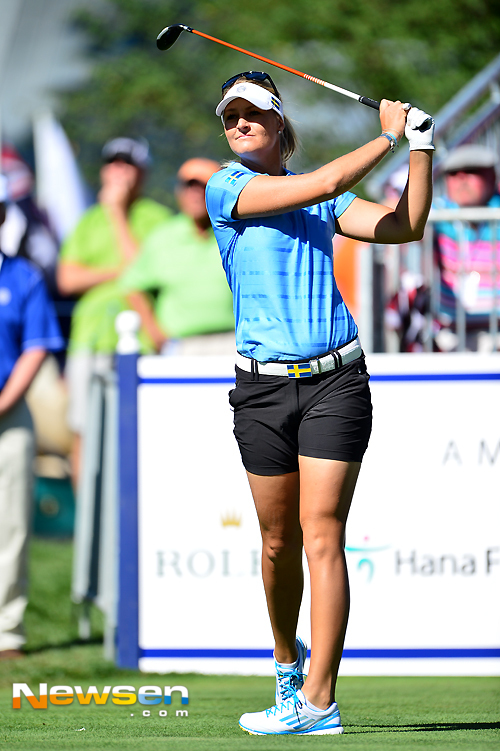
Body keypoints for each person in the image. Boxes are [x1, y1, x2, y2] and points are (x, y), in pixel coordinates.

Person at [205, 71, 434, 735]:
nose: (241, 123)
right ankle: (287, 665)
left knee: (323, 532)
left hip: (337, 382)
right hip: (262, 388)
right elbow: (326, 182)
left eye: (254, 114)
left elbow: (406, 225)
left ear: (280, 124)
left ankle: (317, 700)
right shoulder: (228, 187)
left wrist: (420, 148)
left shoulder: (322, 199)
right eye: (232, 115)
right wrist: (387, 137)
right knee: (278, 541)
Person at [57, 138, 171, 486]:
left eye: (127, 164)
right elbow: (67, 279)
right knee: (83, 432)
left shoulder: (158, 218)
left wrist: (117, 214)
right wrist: (118, 272)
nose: (118, 171)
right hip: (88, 340)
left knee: (138, 433)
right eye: (113, 163)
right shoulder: (88, 220)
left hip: (140, 342)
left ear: (142, 173)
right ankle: (87, 518)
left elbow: (146, 271)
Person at [0, 175, 64, 658]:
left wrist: (3, 403)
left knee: (11, 526)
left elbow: (36, 346)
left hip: (8, 414)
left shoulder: (22, 276)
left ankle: (6, 632)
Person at [120, 158, 235, 355]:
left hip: (234, 342)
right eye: (188, 186)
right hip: (180, 347)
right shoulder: (163, 236)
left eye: (203, 187)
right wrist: (156, 335)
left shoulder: (237, 233)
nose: (195, 194)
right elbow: (132, 286)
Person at [432, 144, 500, 351]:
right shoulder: (438, 212)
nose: (461, 179)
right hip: (450, 334)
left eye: (471, 171)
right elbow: (401, 215)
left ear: (491, 177)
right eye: (453, 173)